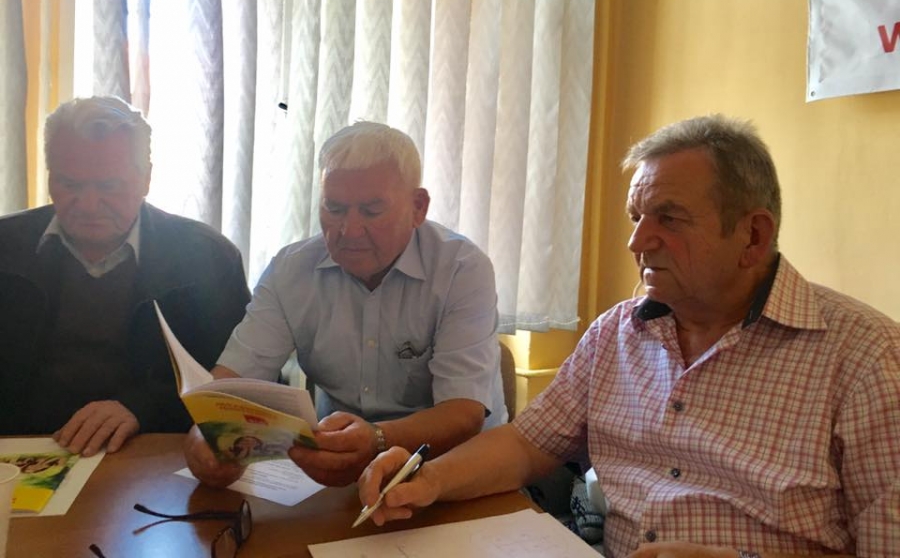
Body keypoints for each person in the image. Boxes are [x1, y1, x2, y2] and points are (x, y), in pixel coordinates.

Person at [358, 115, 900, 558]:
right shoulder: (617, 332)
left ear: (753, 235)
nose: (638, 241)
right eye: (636, 217)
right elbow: (527, 445)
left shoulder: (868, 359)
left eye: (669, 218)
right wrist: (428, 479)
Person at [184, 121, 507, 488]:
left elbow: (463, 413)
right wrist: (206, 434)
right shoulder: (292, 270)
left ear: (418, 207)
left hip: (454, 469)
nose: (349, 231)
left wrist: (377, 440)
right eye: (334, 208)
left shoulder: (461, 269)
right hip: (337, 470)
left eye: (372, 211)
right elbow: (231, 384)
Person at [0, 96, 251, 457]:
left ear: (146, 178)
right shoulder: (6, 248)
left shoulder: (207, 258)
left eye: (108, 186)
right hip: (21, 454)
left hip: (151, 452)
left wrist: (141, 408)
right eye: (70, 184)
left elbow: (236, 387)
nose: (88, 205)